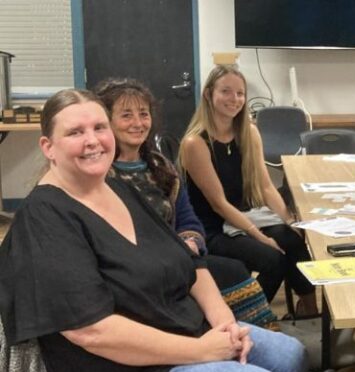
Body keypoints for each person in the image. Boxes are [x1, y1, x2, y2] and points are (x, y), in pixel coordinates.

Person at [0, 89, 320, 372]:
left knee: (288, 354)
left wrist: (224, 323)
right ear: (48, 146)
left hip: (181, 333)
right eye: (75, 132)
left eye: (99, 127)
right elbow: (91, 332)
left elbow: (191, 265)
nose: (92, 141)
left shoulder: (119, 189)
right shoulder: (46, 218)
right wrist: (201, 352)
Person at [94, 78, 278, 329]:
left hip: (179, 258)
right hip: (136, 271)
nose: (138, 123)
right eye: (126, 116)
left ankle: (248, 334)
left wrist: (192, 240)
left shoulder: (162, 168)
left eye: (143, 114)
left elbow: (189, 219)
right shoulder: (100, 175)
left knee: (235, 270)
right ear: (107, 122)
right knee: (233, 271)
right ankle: (239, 335)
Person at [179, 65, 318, 317]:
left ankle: (309, 310)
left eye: (240, 93)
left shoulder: (248, 132)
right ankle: (249, 317)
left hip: (243, 218)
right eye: (226, 92)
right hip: (212, 228)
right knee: (272, 259)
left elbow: (265, 187)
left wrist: (289, 220)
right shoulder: (195, 143)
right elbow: (219, 203)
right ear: (209, 95)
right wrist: (259, 237)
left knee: (292, 239)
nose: (235, 99)